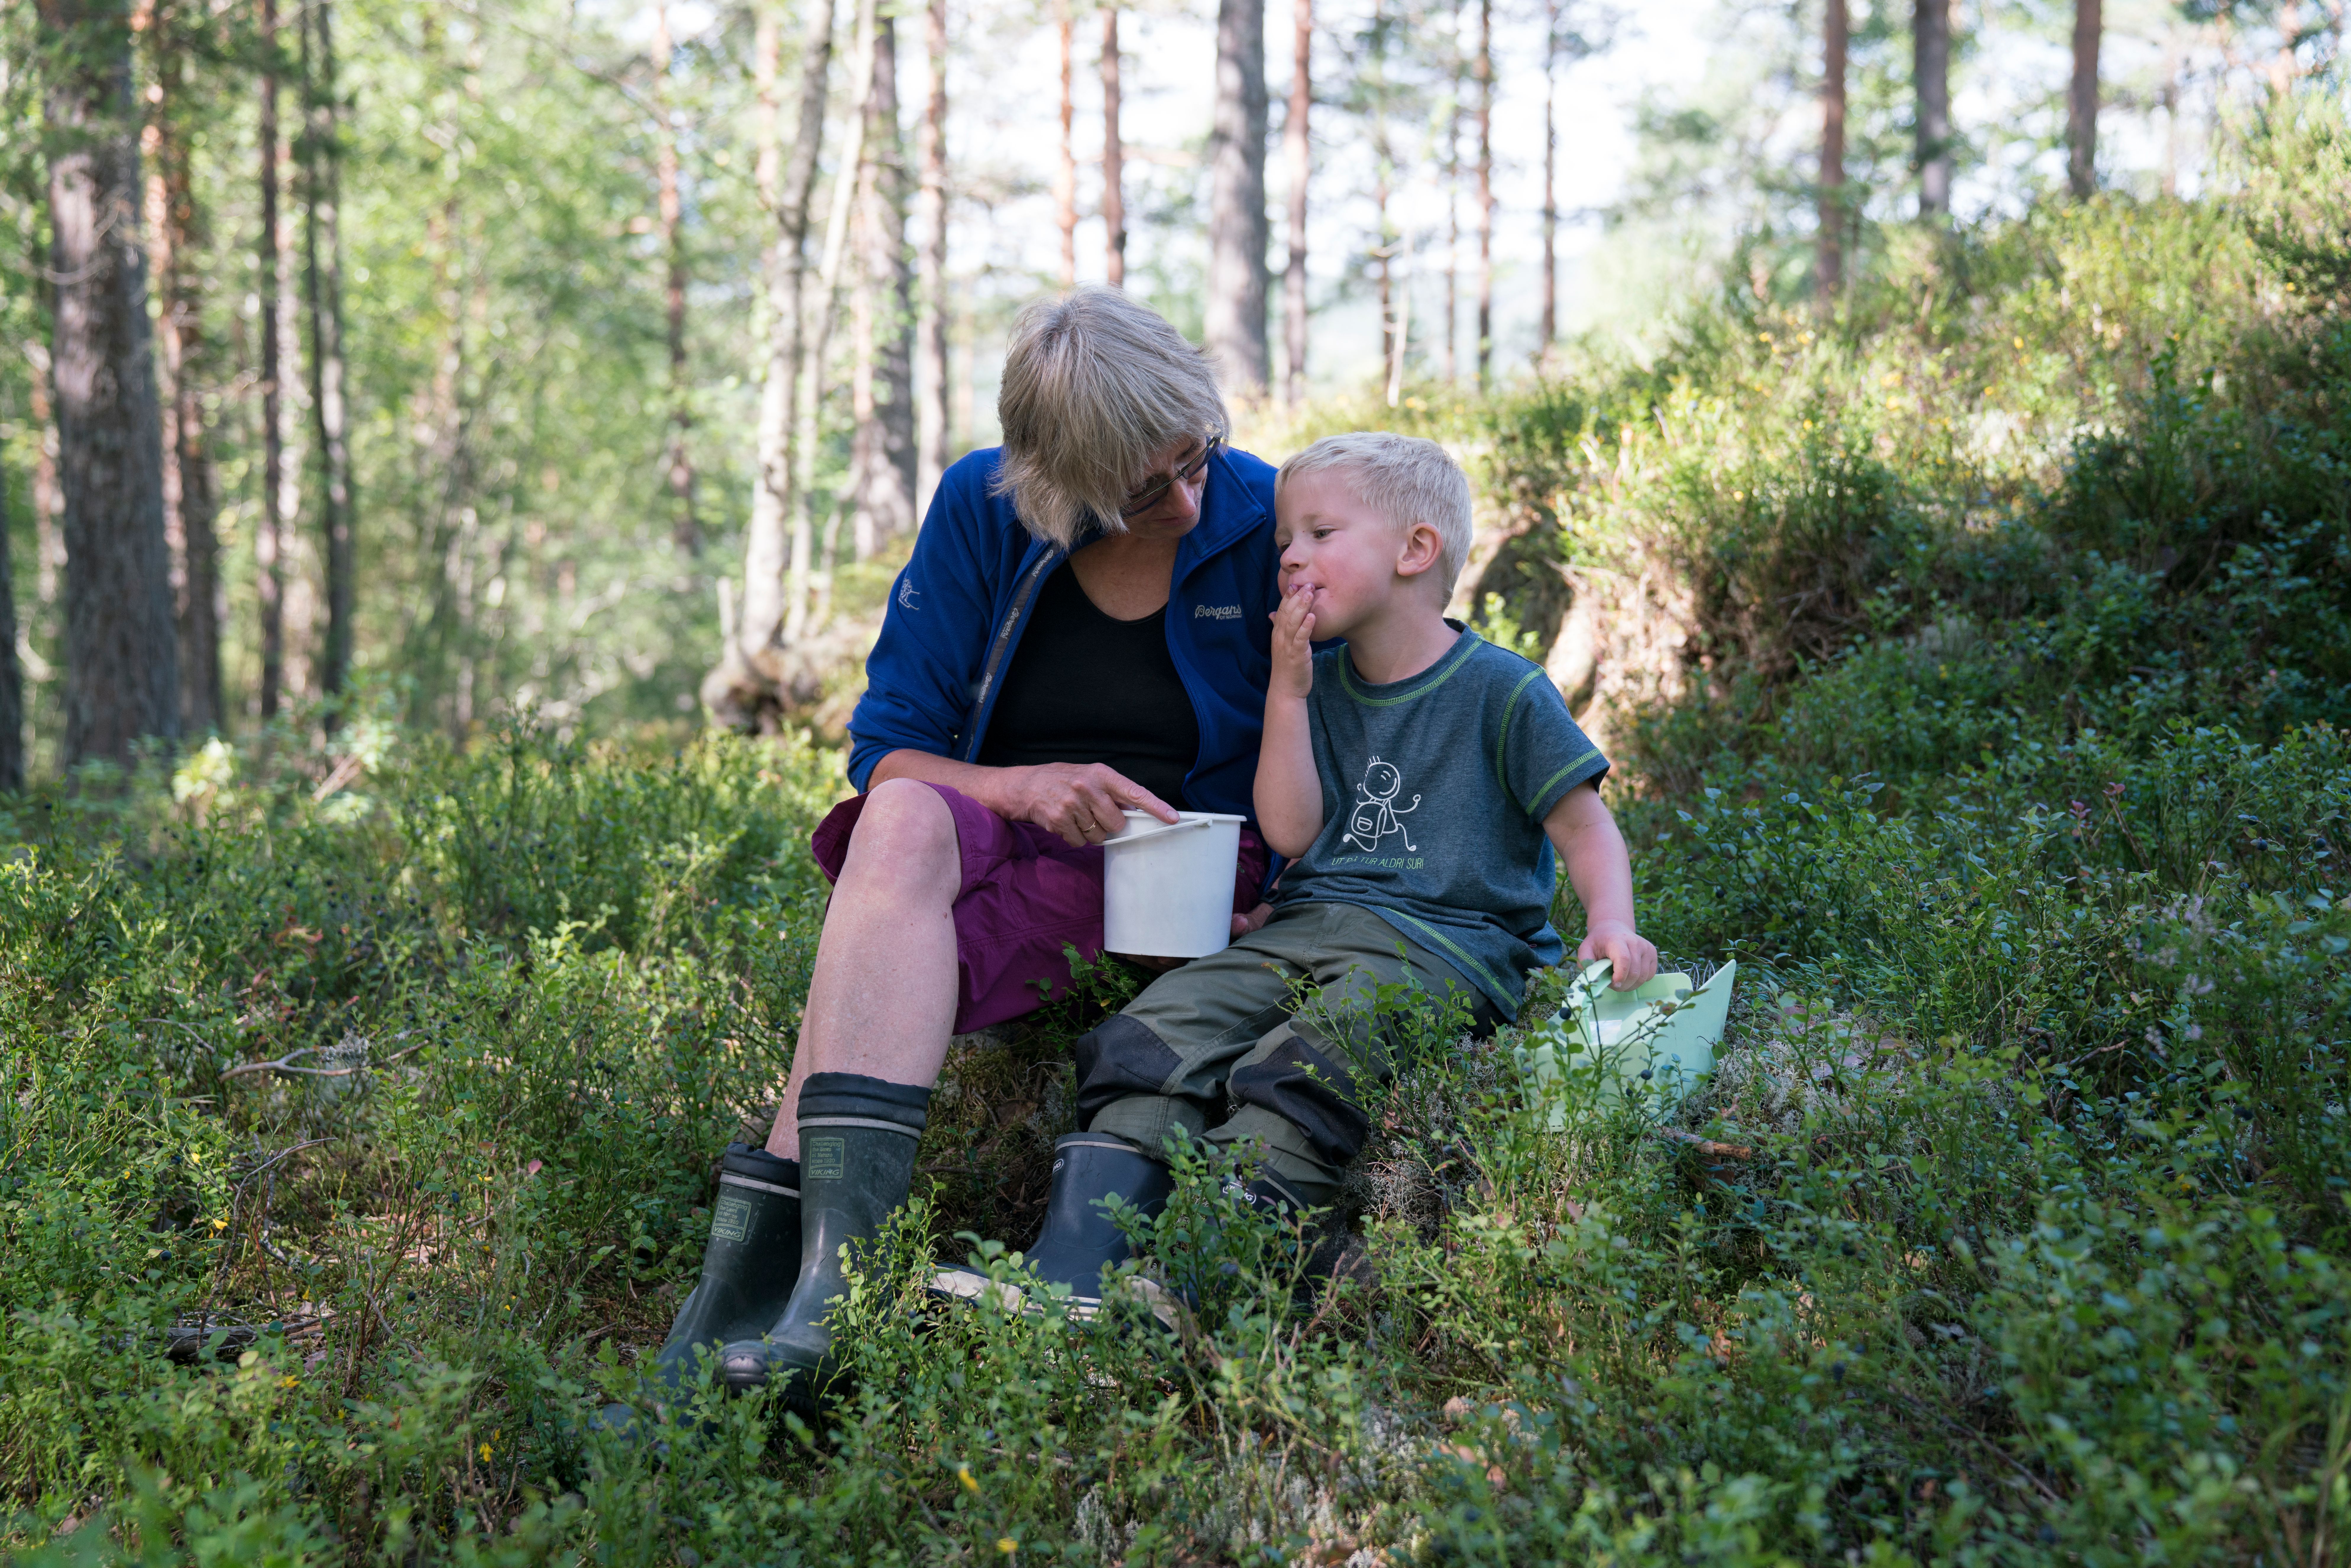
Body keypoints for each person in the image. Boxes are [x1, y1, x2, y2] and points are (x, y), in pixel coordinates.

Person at [601, 287, 1286, 1428]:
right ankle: (819, 1297)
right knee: (901, 820)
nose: (1185, 498)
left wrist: (1303, 899)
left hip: (1184, 864)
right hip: (1010, 841)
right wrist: (1019, 787)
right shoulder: (982, 505)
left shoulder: (1266, 511)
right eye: (1140, 490)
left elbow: (1368, 723)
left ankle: (750, 1313)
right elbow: (889, 752)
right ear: (1059, 485)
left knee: (863, 961)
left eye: (1194, 457)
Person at [952, 431, 1659, 1312]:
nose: (1289, 556)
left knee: (1311, 1058)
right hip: (1308, 924)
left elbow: (1584, 824)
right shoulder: (1314, 683)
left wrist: (1611, 922)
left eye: (1320, 534)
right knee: (1160, 1028)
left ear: (1416, 551)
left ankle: (1219, 1272)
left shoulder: (1503, 690)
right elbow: (1289, 830)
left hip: (1444, 946)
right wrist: (1285, 695)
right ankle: (1078, 1266)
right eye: (1286, 539)